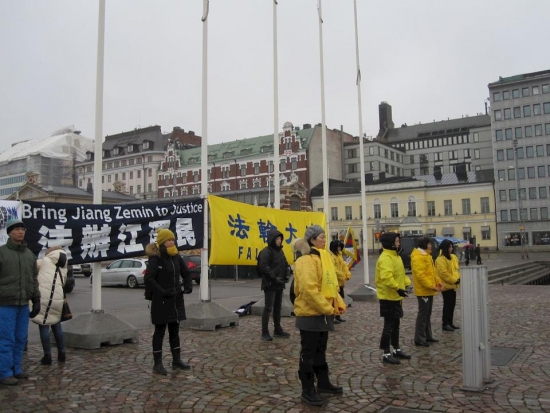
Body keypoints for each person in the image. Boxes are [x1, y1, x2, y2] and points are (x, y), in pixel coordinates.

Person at [293, 225, 346, 406]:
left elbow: (331, 285)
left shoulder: (324, 258)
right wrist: (326, 307)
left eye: (324, 237)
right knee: (308, 353)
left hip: (323, 313)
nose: (325, 240)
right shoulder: (305, 260)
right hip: (310, 314)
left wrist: (337, 305)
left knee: (320, 351)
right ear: (312, 240)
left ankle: (323, 383)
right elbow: (309, 289)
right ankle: (307, 390)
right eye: (321, 237)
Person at [144, 228, 193, 375]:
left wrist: (188, 284)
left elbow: (185, 272)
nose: (172, 242)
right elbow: (149, 279)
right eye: (168, 240)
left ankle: (176, 360)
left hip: (176, 298)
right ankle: (157, 364)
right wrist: (162, 291)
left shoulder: (176, 256)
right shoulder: (155, 258)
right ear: (162, 242)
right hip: (161, 300)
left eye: (173, 239)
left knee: (174, 330)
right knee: (159, 331)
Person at [0, 219, 40, 386]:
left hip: (23, 304)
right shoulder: (1, 253)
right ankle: (4, 372)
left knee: (20, 339)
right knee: (6, 339)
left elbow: (33, 279)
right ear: (9, 232)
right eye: (16, 229)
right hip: (5, 304)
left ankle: (16, 368)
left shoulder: (29, 254)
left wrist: (36, 298)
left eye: (22, 229)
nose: (20, 232)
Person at [375, 232, 412, 365]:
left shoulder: (396, 256)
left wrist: (406, 283)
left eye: (398, 241)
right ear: (390, 243)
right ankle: (386, 352)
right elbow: (387, 277)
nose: (398, 243)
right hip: (388, 297)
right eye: (396, 241)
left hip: (396, 296)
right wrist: (398, 288)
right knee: (389, 326)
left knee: (396, 324)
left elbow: (400, 274)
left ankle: (396, 349)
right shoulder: (385, 258)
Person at [31, 246, 68, 365]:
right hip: (58, 298)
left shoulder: (45, 261)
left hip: (44, 297)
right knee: (56, 325)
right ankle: (62, 353)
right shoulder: (64, 266)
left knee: (43, 325)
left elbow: (31, 265)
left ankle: (47, 356)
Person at [258, 229, 291, 341]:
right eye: (277, 239)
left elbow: (285, 264)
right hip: (270, 284)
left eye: (280, 239)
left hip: (279, 284)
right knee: (268, 308)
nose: (279, 241)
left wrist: (287, 272)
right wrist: (274, 278)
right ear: (272, 239)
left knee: (278, 307)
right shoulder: (266, 252)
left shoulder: (280, 252)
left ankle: (277, 329)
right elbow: (264, 267)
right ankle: (265, 332)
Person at [411, 237, 443, 347]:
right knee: (423, 315)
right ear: (425, 245)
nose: (431, 246)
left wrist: (437, 282)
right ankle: (419, 338)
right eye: (429, 244)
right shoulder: (418, 257)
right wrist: (431, 285)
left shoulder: (427, 256)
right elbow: (421, 275)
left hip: (430, 289)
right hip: (423, 290)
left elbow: (432, 272)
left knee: (427, 314)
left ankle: (427, 335)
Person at [435, 240, 461, 332]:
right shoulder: (440, 259)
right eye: (450, 247)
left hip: (453, 285)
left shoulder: (453, 257)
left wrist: (458, 279)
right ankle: (445, 323)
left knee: (452, 304)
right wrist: (455, 280)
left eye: (452, 247)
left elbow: (456, 270)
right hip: (445, 286)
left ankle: (450, 322)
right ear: (445, 248)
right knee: (447, 305)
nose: (452, 248)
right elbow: (443, 274)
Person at [329, 240, 351, 324]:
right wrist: (343, 275)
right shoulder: (331, 256)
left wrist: (347, 274)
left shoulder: (339, 255)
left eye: (340, 247)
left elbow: (344, 266)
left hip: (340, 282)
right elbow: (333, 270)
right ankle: (332, 317)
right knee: (334, 300)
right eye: (337, 247)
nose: (339, 248)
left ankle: (337, 316)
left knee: (340, 300)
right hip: (334, 282)